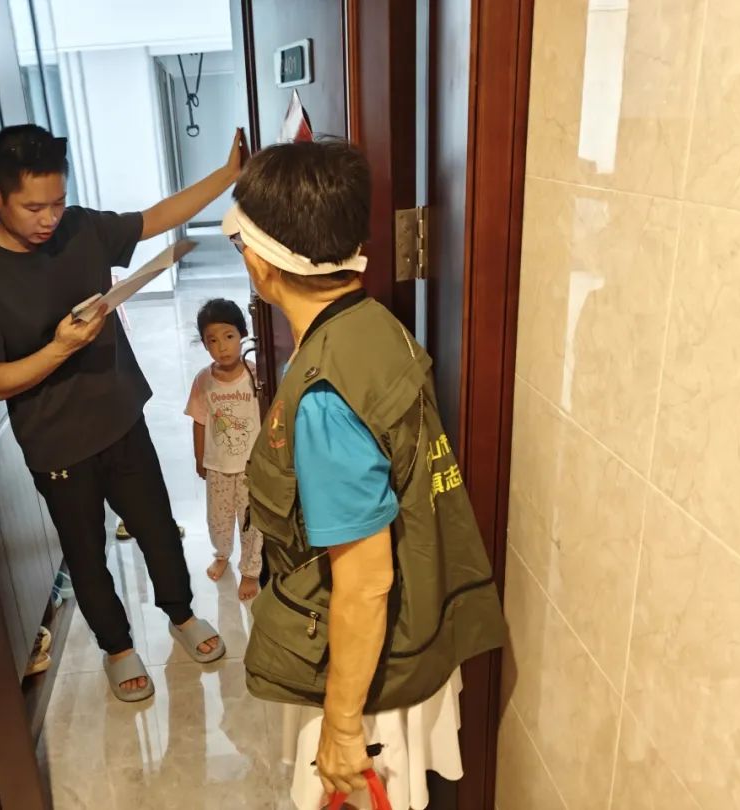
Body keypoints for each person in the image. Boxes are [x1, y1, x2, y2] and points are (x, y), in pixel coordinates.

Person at [225, 141, 507, 809]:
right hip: (405, 634)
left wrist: (343, 727)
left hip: (366, 673)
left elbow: (364, 579)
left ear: (260, 261)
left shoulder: (326, 396)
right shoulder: (375, 325)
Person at [0, 124, 247, 702]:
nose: (49, 219)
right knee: (86, 553)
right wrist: (61, 347)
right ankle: (117, 648)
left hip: (120, 416)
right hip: (56, 442)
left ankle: (181, 614)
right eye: (33, 207)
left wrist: (227, 175)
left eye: (57, 202)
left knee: (158, 528)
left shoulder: (81, 228)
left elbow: (156, 218)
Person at [184, 299, 264, 601]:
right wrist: (199, 458)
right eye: (212, 341)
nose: (222, 347)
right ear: (205, 345)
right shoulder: (203, 380)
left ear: (242, 334)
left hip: (250, 468)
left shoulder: (255, 374)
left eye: (229, 336)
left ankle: (251, 570)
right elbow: (199, 421)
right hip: (217, 465)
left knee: (251, 522)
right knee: (218, 520)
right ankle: (221, 553)